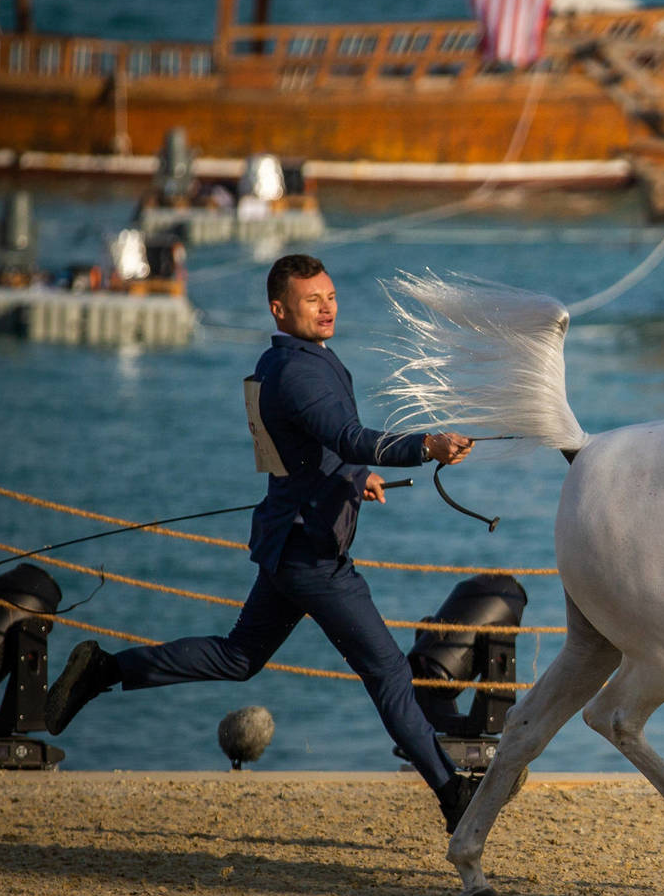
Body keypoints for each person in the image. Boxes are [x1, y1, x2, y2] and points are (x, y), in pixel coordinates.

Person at [46, 254, 484, 831]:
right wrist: (422, 445)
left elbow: (305, 450)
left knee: (239, 657)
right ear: (280, 308)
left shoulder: (282, 362)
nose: (327, 306)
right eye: (312, 299)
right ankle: (454, 796)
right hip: (314, 559)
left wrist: (355, 478)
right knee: (389, 675)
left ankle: (105, 670)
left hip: (287, 544)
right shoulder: (301, 373)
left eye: (330, 294)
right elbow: (349, 436)